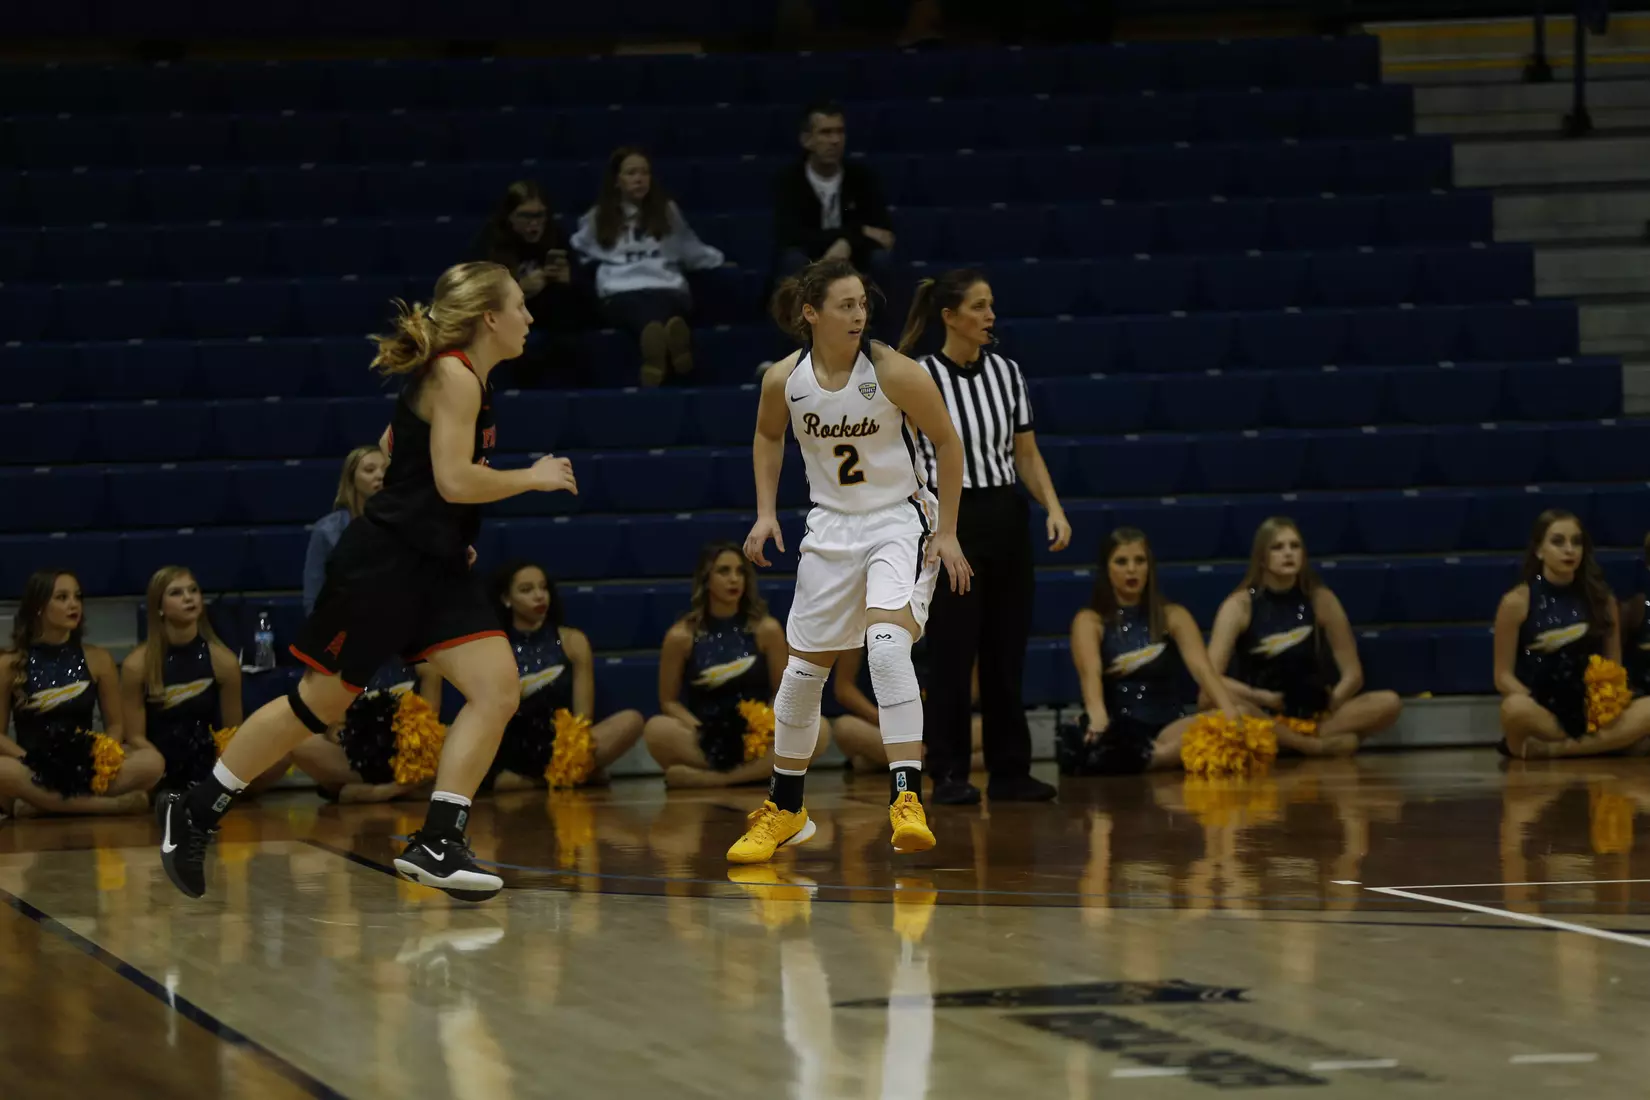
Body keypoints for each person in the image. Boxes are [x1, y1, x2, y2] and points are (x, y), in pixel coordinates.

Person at [155, 261, 578, 903]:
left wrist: (444, 531)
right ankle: (195, 808)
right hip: (384, 566)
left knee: (496, 689)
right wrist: (533, 477)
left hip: (433, 566)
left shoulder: (469, 379)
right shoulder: (454, 376)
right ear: (489, 317)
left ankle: (439, 840)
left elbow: (391, 442)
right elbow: (453, 480)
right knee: (317, 705)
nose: (530, 316)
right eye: (520, 305)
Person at [730, 258, 973, 865]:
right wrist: (765, 513)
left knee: (887, 649)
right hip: (830, 528)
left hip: (897, 520)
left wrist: (947, 532)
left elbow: (948, 442)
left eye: (862, 303)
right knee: (800, 676)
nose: (859, 314)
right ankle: (787, 808)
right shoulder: (784, 380)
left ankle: (907, 798)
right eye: (845, 305)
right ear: (811, 313)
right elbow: (767, 436)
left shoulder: (893, 371)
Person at [898, 268, 1070, 804]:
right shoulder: (921, 375)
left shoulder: (1008, 373)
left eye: (991, 305)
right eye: (978, 306)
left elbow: (1026, 455)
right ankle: (947, 771)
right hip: (951, 521)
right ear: (949, 317)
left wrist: (1053, 508)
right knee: (952, 653)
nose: (990, 315)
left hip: (1005, 515)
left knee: (1006, 650)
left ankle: (1010, 770)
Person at [1205, 517, 1402, 754]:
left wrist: (1329, 703)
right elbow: (1210, 677)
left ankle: (1290, 742)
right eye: (1278, 547)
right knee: (1212, 700)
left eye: (1295, 546)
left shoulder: (1321, 599)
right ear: (1261, 558)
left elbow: (1353, 674)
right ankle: (1310, 746)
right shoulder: (1239, 605)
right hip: (1261, 709)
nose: (1288, 553)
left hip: (1311, 714)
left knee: (1389, 702)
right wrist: (1263, 697)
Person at [1065, 529, 1241, 773]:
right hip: (1120, 729)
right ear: (1106, 569)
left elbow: (1203, 670)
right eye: (1121, 562)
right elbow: (1090, 675)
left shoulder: (1173, 615)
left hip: (1170, 727)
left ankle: (1153, 756)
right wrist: (1097, 718)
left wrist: (1229, 712)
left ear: (1150, 567)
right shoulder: (1089, 621)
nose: (1131, 569)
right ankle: (1147, 755)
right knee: (1092, 744)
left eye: (1140, 561)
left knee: (1243, 714)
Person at [642, 544, 810, 788]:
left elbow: (781, 692)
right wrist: (703, 731)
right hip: (704, 738)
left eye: (740, 572)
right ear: (706, 579)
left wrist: (763, 727)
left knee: (818, 729)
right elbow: (669, 701)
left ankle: (710, 779)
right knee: (655, 729)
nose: (734, 579)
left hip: (758, 737)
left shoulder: (767, 630)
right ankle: (758, 772)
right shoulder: (681, 636)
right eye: (724, 571)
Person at [0, 570, 163, 815]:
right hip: (34, 767)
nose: (73, 604)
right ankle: (109, 806)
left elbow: (116, 725)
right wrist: (32, 761)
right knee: (3, 770)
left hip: (85, 764)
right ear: (38, 607)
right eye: (62, 597)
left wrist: (101, 757)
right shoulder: (9, 664)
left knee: (152, 762)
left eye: (77, 597)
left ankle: (43, 806)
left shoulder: (98, 659)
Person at [1495, 509, 1650, 758]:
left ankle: (1555, 750)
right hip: (1544, 710)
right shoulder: (1516, 602)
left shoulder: (1603, 600)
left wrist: (1606, 705)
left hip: (1592, 711)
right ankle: (1609, 744)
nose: (1569, 550)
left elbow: (1614, 667)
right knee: (1513, 708)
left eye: (1576, 542)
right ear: (1539, 550)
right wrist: (1534, 698)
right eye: (1558, 542)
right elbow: (1502, 676)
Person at [569, 147, 725, 387]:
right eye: (631, 173)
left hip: (665, 284)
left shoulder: (667, 211)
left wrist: (717, 259)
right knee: (642, 308)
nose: (640, 178)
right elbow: (577, 248)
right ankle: (671, 345)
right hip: (620, 290)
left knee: (664, 301)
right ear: (617, 181)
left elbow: (689, 248)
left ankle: (657, 349)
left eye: (645, 172)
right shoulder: (599, 216)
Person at [489, 561, 646, 789]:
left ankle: (554, 777)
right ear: (506, 599)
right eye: (526, 590)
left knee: (631, 720)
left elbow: (582, 717)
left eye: (543, 588)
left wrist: (573, 753)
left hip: (561, 748)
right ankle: (573, 777)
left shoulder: (573, 641)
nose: (539, 596)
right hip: (513, 750)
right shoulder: (493, 648)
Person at [120, 566, 257, 794]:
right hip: (158, 764)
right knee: (148, 763)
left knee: (272, 754)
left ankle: (213, 790)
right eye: (176, 593)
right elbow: (134, 737)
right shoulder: (137, 665)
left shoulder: (223, 661)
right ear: (159, 608)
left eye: (193, 590)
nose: (188, 598)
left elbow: (232, 730)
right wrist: (160, 763)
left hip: (208, 761)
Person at [473, 180, 592, 385]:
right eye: (525, 216)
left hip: (552, 320)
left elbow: (588, 295)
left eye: (539, 215)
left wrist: (569, 280)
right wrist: (518, 289)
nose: (534, 223)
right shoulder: (490, 242)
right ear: (509, 217)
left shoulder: (556, 236)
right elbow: (473, 295)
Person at [288, 659, 445, 801]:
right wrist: (359, 738)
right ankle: (414, 789)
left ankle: (386, 791)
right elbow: (335, 730)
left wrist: (382, 791)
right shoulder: (342, 663)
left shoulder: (424, 664)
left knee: (451, 740)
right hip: (361, 757)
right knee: (300, 744)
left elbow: (429, 725)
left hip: (411, 754)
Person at [773, 102, 894, 281]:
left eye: (840, 132)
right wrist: (855, 233)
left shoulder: (861, 177)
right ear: (806, 140)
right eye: (826, 132)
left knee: (881, 259)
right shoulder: (790, 181)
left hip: (855, 259)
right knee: (792, 259)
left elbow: (885, 236)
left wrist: (847, 243)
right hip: (811, 259)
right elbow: (791, 236)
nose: (835, 140)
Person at [832, 644, 984, 773]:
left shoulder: (952, 622)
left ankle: (898, 763)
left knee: (989, 727)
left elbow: (971, 689)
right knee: (845, 727)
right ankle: (940, 761)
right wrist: (885, 721)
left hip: (943, 724)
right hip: (887, 726)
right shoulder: (861, 624)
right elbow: (844, 688)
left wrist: (937, 722)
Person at [303, 445, 386, 615]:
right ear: (351, 479)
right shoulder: (326, 531)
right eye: (370, 470)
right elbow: (313, 599)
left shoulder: (406, 526)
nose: (380, 476)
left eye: (386, 470)